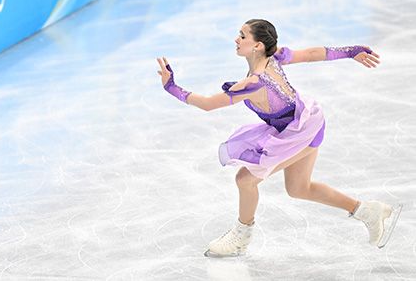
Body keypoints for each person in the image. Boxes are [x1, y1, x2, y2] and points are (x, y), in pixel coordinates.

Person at [157, 19, 401, 257]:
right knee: (298, 188)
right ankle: (368, 211)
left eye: (242, 35)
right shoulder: (274, 58)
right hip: (302, 124)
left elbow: (209, 104)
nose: (236, 39)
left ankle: (241, 237)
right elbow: (312, 53)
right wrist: (350, 51)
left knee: (245, 180)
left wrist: (172, 88)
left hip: (301, 131)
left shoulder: (253, 83)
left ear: (257, 46)